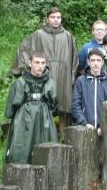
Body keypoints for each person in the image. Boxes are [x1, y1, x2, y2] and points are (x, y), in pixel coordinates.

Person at [12, 7, 78, 139]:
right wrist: (25, 68)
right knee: (45, 107)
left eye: (58, 17)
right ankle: (43, 137)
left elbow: (74, 58)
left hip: (63, 76)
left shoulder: (67, 36)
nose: (56, 20)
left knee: (64, 109)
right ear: (47, 19)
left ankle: (65, 138)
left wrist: (72, 76)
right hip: (44, 76)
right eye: (53, 17)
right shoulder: (38, 35)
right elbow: (23, 49)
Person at [4, 52, 58, 164]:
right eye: (37, 62)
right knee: (22, 148)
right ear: (30, 63)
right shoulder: (20, 82)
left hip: (44, 121)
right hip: (24, 121)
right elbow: (10, 109)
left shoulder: (50, 83)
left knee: (45, 148)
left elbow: (54, 106)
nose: (40, 66)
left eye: (43, 63)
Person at [71, 49, 107, 136]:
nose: (95, 63)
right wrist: (84, 123)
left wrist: (103, 126)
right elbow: (75, 105)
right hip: (83, 129)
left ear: (102, 62)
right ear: (88, 62)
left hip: (102, 131)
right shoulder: (80, 81)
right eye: (93, 60)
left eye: (98, 60)